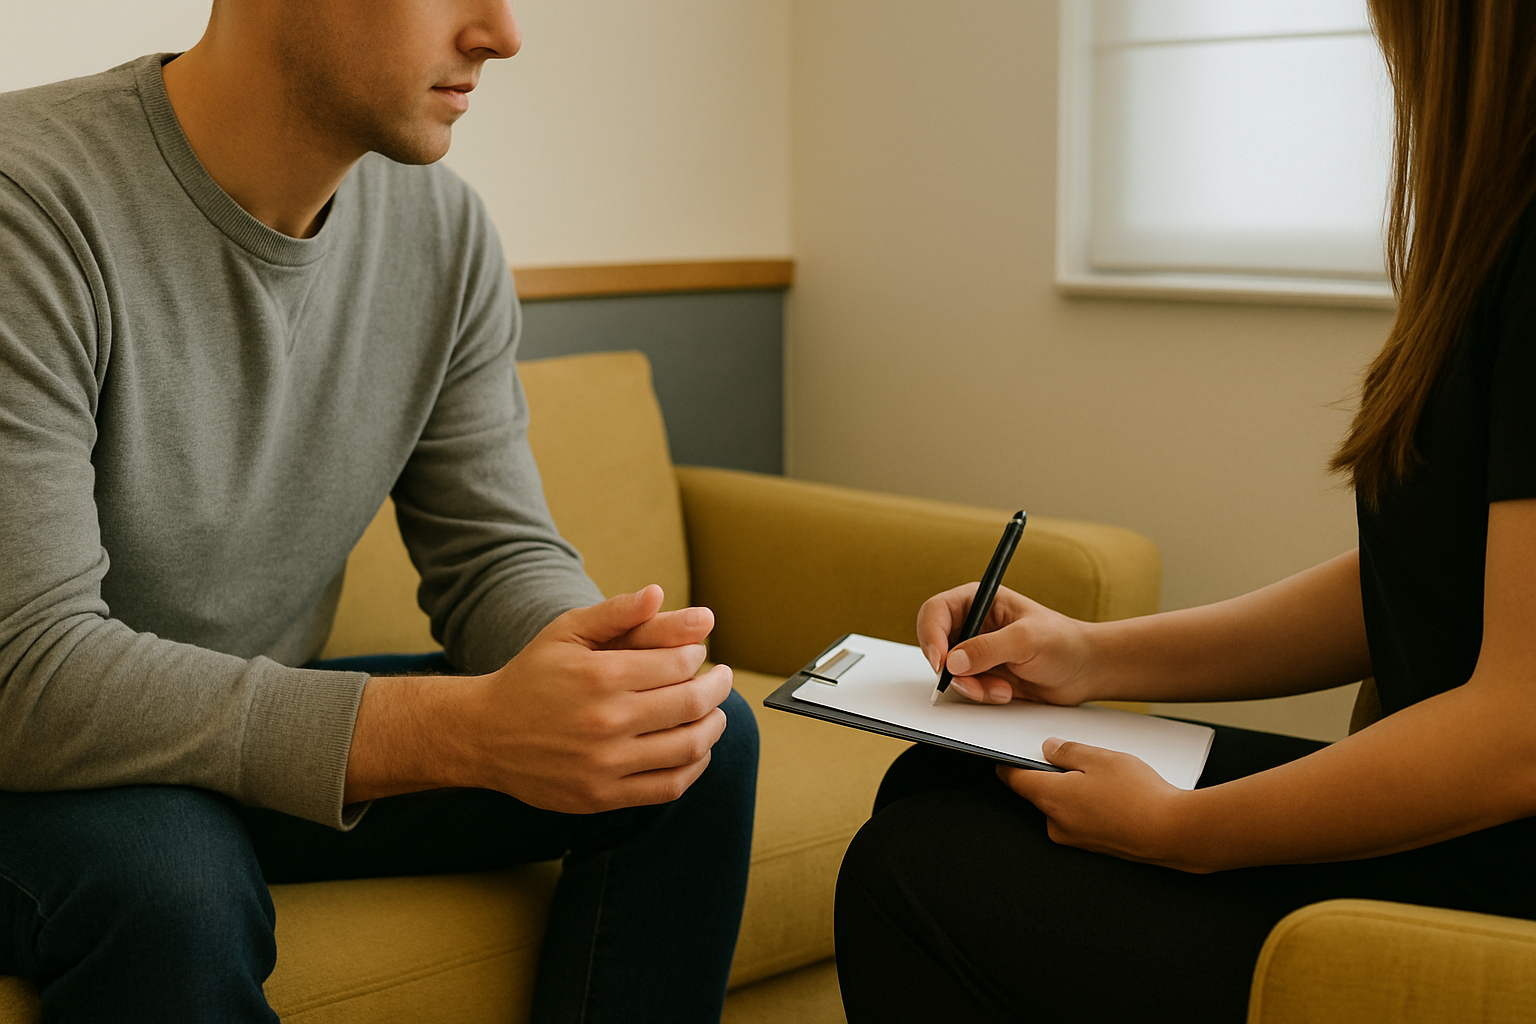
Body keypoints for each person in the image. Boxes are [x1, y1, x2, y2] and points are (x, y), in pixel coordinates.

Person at [0, 2, 757, 1022]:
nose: (502, 32)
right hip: (33, 756)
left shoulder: (442, 233)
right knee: (171, 880)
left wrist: (594, 671)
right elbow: (31, 671)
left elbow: (492, 554)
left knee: (694, 744)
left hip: (225, 741)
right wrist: (467, 732)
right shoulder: (29, 202)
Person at [833, 1, 1536, 1020]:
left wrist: (1179, 830)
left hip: (1500, 884)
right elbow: (1424, 586)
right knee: (944, 783)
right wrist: (1093, 654)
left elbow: (1516, 729)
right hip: (1477, 844)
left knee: (911, 870)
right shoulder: (1498, 230)